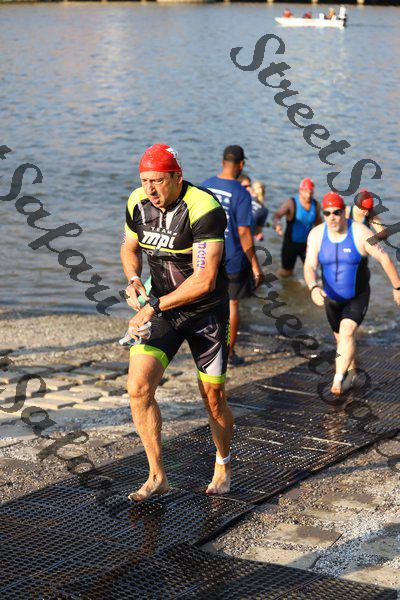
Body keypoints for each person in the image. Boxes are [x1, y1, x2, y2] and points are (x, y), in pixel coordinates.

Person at [121, 143, 233, 500]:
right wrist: (133, 280)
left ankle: (223, 462)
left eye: (157, 181)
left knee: (213, 398)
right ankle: (157, 476)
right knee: (138, 388)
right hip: (162, 310)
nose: (150, 189)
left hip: (206, 314)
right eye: (145, 181)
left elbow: (205, 280)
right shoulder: (137, 202)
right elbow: (129, 248)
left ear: (177, 177)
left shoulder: (204, 208)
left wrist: (151, 307)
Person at [304, 191, 400, 396]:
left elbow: (384, 258)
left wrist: (397, 287)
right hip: (331, 297)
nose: (332, 217)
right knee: (342, 339)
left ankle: (337, 379)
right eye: (327, 213)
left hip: (357, 294)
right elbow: (309, 265)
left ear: (344, 211)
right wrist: (312, 287)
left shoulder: (360, 232)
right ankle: (352, 373)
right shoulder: (316, 234)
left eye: (336, 212)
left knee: (347, 332)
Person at [202, 146, 264, 366]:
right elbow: (244, 232)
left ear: (222, 162)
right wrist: (255, 265)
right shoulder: (241, 193)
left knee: (207, 301)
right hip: (233, 258)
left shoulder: (205, 186)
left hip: (206, 254)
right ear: (241, 165)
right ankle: (228, 353)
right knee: (232, 304)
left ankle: (205, 348)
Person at [273, 178, 321, 277]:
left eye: (311, 192)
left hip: (307, 245)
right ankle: (273, 280)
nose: (308, 195)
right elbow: (277, 215)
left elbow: (319, 224)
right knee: (286, 273)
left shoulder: (316, 205)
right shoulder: (291, 203)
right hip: (290, 244)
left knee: (313, 270)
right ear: (300, 191)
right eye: (306, 192)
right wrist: (277, 224)